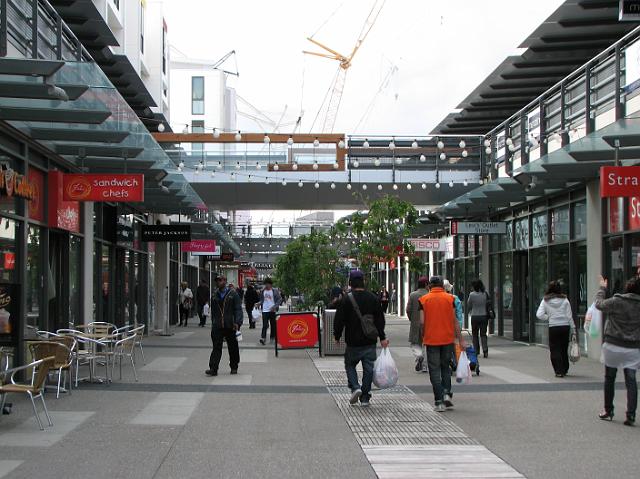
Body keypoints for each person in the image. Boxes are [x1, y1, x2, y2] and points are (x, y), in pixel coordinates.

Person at [334, 270, 388, 407]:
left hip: (352, 341)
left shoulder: (346, 299)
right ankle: (365, 397)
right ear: (363, 281)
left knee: (350, 364)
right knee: (368, 368)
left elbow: (339, 319)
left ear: (350, 282)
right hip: (369, 341)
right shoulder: (373, 298)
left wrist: (337, 335)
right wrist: (382, 337)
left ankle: (355, 387)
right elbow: (380, 320)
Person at [593, 275, 640, 426]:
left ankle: (608, 410)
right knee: (631, 381)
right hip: (632, 347)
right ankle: (631, 415)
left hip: (613, 344)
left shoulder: (617, 301)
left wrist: (602, 288)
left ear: (626, 288)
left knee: (609, 378)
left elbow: (598, 304)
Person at [419, 276, 464, 412]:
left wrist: (423, 336)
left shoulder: (423, 300)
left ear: (429, 286)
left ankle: (438, 401)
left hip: (431, 339)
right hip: (447, 339)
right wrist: (460, 338)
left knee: (434, 370)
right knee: (445, 367)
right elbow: (454, 320)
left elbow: (422, 322)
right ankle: (446, 394)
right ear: (442, 286)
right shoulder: (450, 299)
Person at [536, 281, 576, 378]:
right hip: (565, 326)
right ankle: (565, 368)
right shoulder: (565, 300)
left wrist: (549, 317)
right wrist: (573, 328)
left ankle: (558, 371)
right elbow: (569, 316)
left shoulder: (545, 300)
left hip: (553, 326)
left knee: (555, 349)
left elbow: (539, 314)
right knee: (563, 348)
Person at [206, 275, 243, 377]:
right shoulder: (214, 295)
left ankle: (234, 366)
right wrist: (213, 322)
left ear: (225, 281)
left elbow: (238, 309)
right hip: (217, 326)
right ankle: (213, 368)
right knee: (216, 347)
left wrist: (237, 322)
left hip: (230, 325)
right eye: (217, 280)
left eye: (220, 280)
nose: (218, 282)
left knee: (233, 347)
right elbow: (213, 311)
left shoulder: (233, 294)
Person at [406, 277, 429, 373]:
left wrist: (412, 319)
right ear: (425, 284)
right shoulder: (429, 295)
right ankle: (424, 366)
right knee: (426, 344)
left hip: (415, 323)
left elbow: (408, 309)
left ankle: (419, 356)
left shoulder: (413, 295)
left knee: (416, 343)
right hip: (428, 323)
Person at [467, 279, 490, 358]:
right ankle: (485, 350)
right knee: (483, 334)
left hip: (475, 316)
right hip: (484, 316)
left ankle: (476, 351)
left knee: (475, 334)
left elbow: (469, 304)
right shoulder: (485, 294)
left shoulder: (472, 295)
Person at [259, 278, 282, 345]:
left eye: (268, 284)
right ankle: (263, 338)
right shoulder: (263, 291)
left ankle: (272, 337)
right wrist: (258, 303)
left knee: (273, 325)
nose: (266, 285)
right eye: (265, 284)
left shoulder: (275, 291)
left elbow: (280, 299)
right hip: (265, 310)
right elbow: (262, 300)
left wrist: (274, 306)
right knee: (264, 325)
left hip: (272, 310)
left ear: (271, 284)